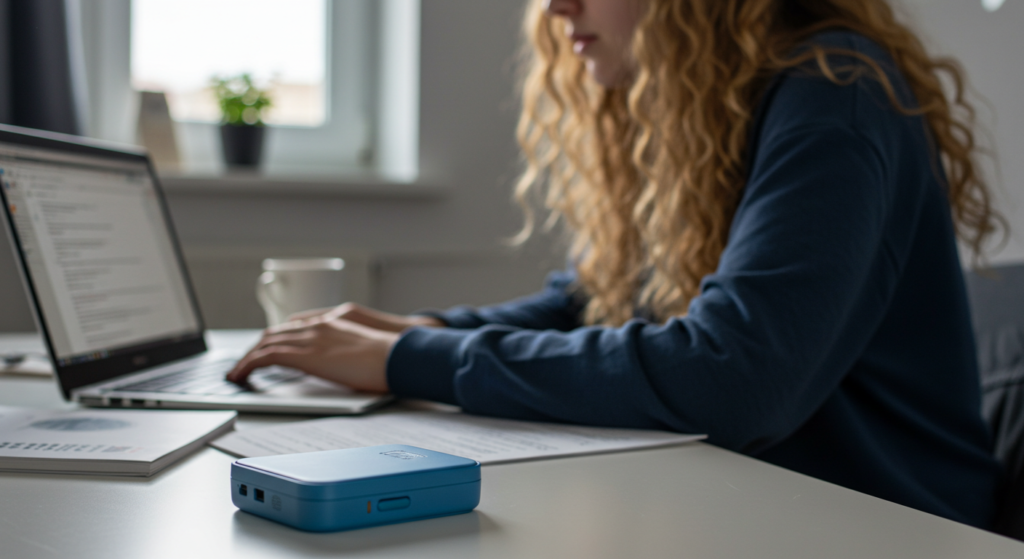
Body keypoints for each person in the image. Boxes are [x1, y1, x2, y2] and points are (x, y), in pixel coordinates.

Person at [227, 0, 1004, 528]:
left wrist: (408, 357)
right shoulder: (702, 106)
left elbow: (734, 375)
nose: (558, 5)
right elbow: (588, 301)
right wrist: (419, 328)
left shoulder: (837, 93)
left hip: (889, 520)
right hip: (757, 500)